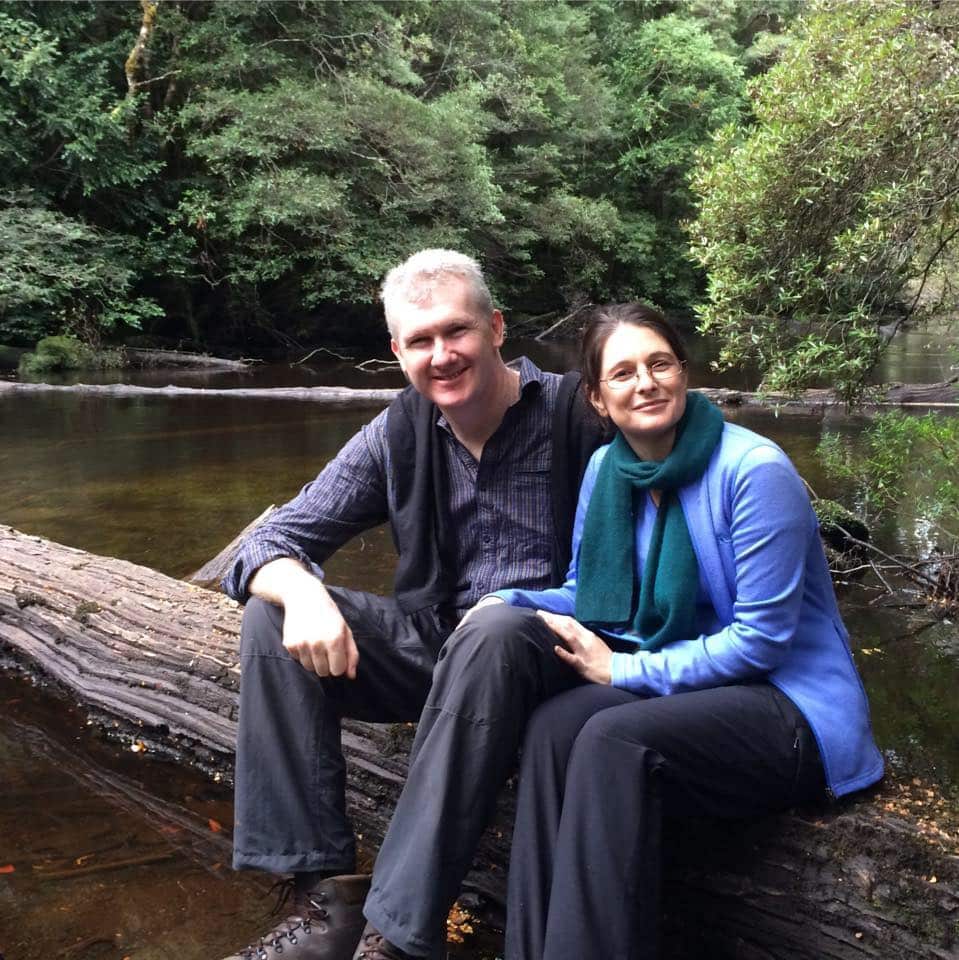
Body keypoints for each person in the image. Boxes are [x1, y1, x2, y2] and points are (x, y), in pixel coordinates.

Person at [219, 249, 607, 960]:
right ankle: (324, 908)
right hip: (442, 646)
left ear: (496, 328)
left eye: (456, 331)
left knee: (494, 628)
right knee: (270, 616)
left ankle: (395, 939)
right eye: (420, 340)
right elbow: (270, 542)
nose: (442, 355)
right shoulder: (398, 434)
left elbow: (684, 466)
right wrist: (303, 591)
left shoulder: (580, 412)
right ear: (397, 352)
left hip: (557, 650)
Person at [484, 303, 884, 960]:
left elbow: (761, 641)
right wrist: (504, 599)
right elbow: (591, 594)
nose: (645, 383)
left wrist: (625, 670)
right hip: (693, 688)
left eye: (659, 364)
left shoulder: (753, 471)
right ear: (598, 398)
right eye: (623, 373)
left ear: (683, 373)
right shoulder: (607, 471)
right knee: (553, 729)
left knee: (612, 739)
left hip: (790, 704)